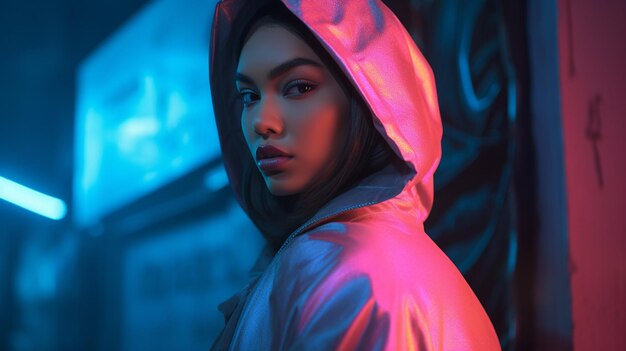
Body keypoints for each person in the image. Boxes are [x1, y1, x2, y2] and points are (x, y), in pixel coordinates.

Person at [209, 0, 501, 350]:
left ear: (369, 99)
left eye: (299, 87)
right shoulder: (346, 258)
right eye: (249, 95)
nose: (261, 121)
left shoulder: (356, 277)